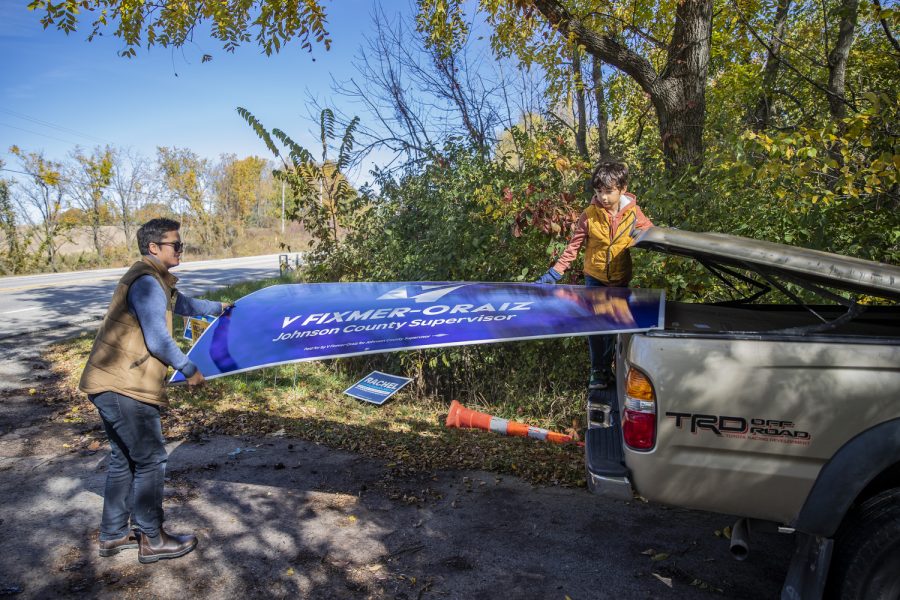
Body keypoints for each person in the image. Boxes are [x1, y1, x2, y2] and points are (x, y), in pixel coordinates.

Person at [79, 217, 229, 563]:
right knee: (150, 459)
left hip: (109, 382)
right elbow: (159, 340)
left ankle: (114, 535)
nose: (181, 250)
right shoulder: (146, 283)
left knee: (123, 459)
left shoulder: (152, 279)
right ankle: (152, 537)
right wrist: (189, 369)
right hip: (125, 386)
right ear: (153, 248)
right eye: (175, 245)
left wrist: (220, 309)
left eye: (180, 244)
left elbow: (184, 304)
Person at [536, 160, 653, 389]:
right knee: (595, 325)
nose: (604, 198)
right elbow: (573, 247)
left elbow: (650, 232)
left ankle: (611, 369)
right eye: (599, 192)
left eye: (609, 192)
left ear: (622, 188)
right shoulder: (589, 215)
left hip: (620, 280)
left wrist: (669, 239)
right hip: (595, 277)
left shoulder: (634, 213)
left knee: (613, 326)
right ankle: (597, 373)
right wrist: (555, 272)